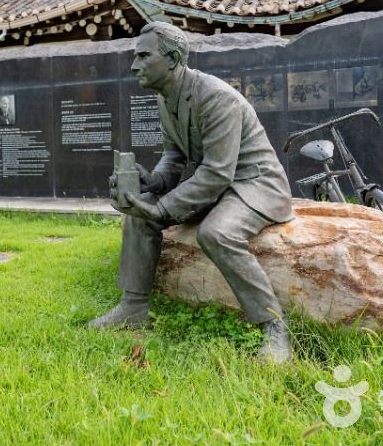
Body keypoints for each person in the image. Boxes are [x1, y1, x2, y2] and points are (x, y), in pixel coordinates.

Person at [89, 21, 295, 363]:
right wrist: (152, 183)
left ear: (172, 59)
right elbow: (175, 155)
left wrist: (163, 209)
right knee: (138, 216)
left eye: (143, 56)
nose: (133, 65)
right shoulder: (166, 98)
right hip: (218, 183)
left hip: (254, 184)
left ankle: (274, 326)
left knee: (216, 233)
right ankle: (134, 306)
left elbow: (216, 171)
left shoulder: (215, 97)